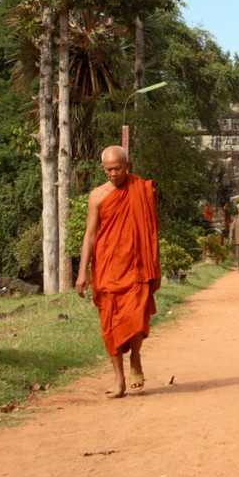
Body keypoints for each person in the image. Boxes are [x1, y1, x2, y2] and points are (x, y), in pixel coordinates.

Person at [76, 145, 161, 399]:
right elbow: (90, 235)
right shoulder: (97, 196)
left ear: (128, 165)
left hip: (136, 265)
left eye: (117, 168)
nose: (113, 174)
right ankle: (119, 378)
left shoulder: (141, 190)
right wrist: (82, 273)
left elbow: (151, 230)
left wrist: (155, 264)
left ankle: (135, 358)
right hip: (107, 266)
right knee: (110, 322)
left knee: (136, 316)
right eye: (108, 169)